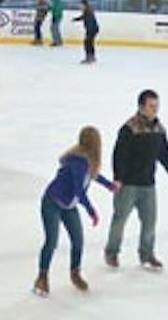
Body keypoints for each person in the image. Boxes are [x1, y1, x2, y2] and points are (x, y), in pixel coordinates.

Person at [34, 126, 115, 297]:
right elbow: (79, 190)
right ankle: (42, 276)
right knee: (52, 241)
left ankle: (75, 272)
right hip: (52, 203)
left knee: (78, 240)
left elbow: (94, 175)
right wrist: (91, 210)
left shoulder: (87, 160)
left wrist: (109, 185)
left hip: (68, 206)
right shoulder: (78, 161)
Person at [104, 90, 168, 273]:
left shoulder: (158, 129)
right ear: (141, 107)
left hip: (148, 184)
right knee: (119, 220)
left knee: (150, 222)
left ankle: (147, 254)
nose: (155, 110)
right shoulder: (129, 128)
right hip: (127, 184)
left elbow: (163, 152)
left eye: (157, 106)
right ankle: (111, 252)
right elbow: (119, 155)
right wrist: (118, 178)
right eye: (151, 106)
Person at [75, 0, 99, 64]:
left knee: (87, 43)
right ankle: (92, 56)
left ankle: (89, 57)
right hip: (93, 29)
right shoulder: (87, 10)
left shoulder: (88, 11)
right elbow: (84, 17)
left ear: (84, 5)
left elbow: (89, 21)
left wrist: (89, 31)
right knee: (90, 43)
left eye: (80, 5)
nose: (79, 6)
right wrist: (77, 19)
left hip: (91, 29)